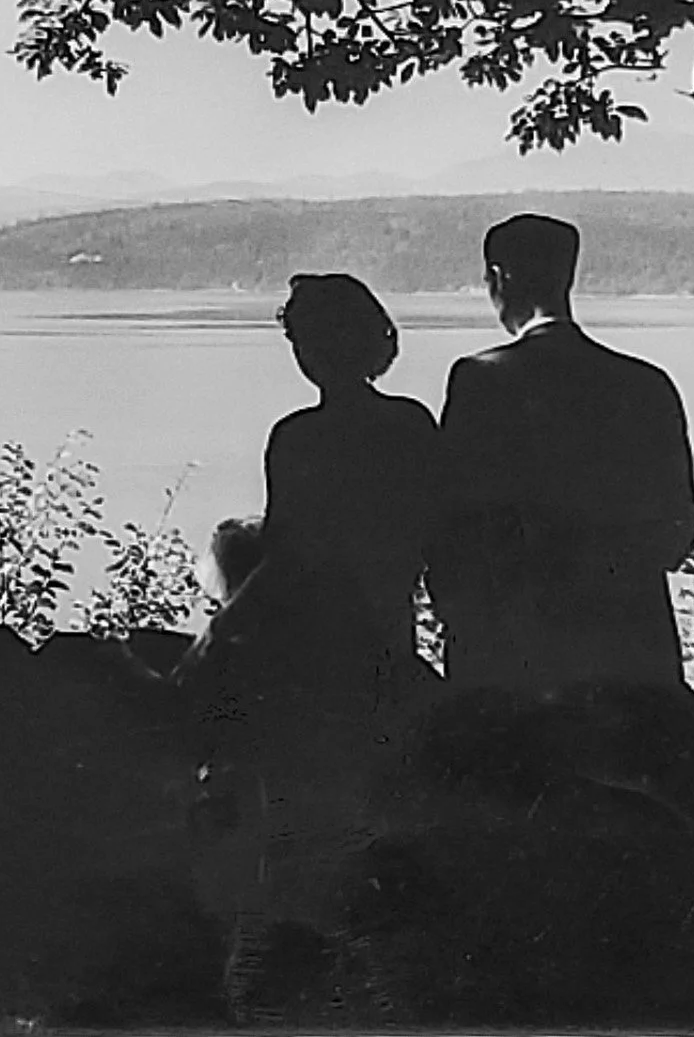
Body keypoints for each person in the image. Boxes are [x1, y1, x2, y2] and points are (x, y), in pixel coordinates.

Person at [174, 274, 442, 1012]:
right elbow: (423, 539)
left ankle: (296, 982)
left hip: (314, 652)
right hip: (386, 635)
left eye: (307, 337)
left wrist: (222, 632)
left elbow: (290, 556)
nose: (303, 351)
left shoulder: (298, 437)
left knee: (304, 820)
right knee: (369, 813)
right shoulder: (412, 425)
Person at [430, 213, 694, 697]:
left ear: (499, 278)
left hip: (516, 657)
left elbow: (457, 523)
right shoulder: (647, 385)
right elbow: (678, 532)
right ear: (568, 275)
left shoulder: (480, 380)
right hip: (631, 652)